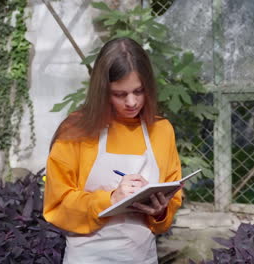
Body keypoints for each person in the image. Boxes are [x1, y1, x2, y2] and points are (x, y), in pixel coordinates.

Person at [43, 37, 182, 264]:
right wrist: (111, 199)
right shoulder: (75, 130)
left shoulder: (162, 131)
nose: (131, 102)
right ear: (102, 90)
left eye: (139, 91)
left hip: (142, 257)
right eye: (120, 94)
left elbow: (171, 205)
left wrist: (159, 211)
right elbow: (57, 205)